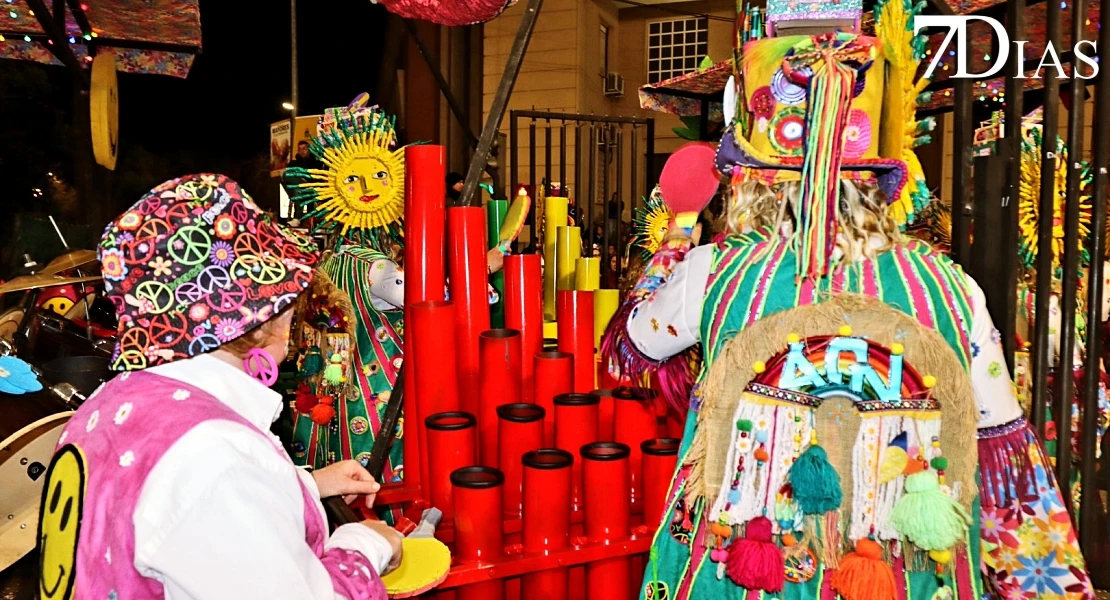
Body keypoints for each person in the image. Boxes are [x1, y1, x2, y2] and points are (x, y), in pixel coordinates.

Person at [37, 174, 399, 599]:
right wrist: (367, 544)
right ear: (264, 311)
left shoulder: (113, 400)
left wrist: (298, 484)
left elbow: (170, 518)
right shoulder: (215, 457)